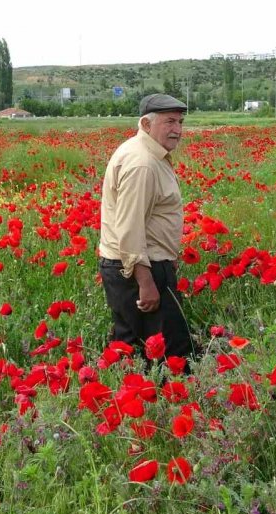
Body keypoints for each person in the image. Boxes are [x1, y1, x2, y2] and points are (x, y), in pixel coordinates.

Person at [98, 93, 195, 373]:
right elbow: (129, 228)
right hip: (138, 270)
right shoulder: (142, 163)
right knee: (151, 350)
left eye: (180, 122)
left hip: (149, 264)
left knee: (146, 347)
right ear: (146, 123)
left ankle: (144, 401)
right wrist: (146, 282)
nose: (178, 129)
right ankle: (138, 404)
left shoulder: (151, 154)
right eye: (169, 122)